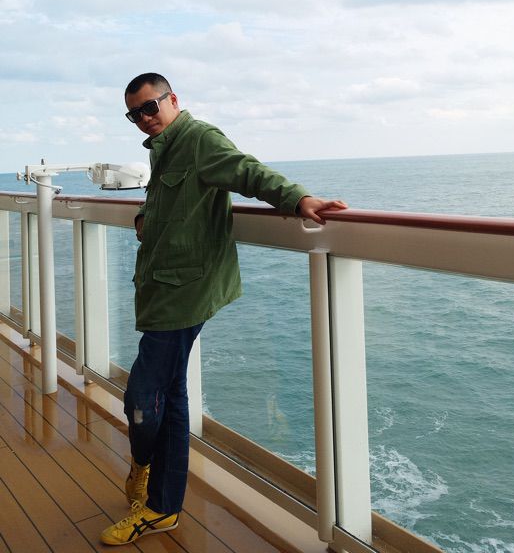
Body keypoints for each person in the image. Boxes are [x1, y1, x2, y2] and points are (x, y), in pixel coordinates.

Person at [100, 73, 347, 546]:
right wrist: (145, 218)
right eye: (135, 115)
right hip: (162, 289)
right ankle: (162, 508)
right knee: (171, 397)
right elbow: (167, 199)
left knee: (142, 399)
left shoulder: (199, 138)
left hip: (185, 292)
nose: (144, 119)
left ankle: (144, 470)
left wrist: (299, 199)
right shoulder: (164, 148)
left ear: (173, 99)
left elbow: (247, 171)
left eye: (150, 107)